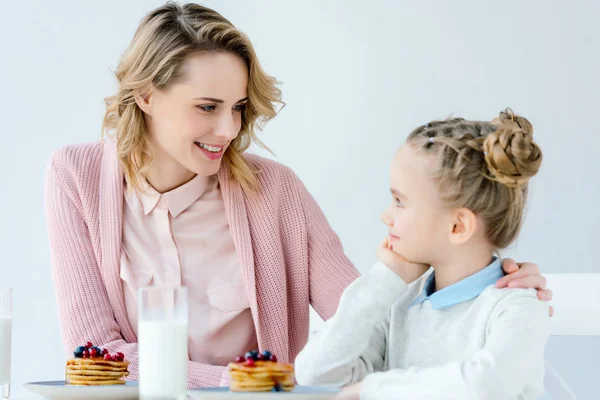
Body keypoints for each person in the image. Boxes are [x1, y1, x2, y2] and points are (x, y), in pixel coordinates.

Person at [44, 2, 553, 388]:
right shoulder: (77, 176)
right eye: (207, 106)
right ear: (146, 95)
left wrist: (480, 281)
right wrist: (249, 384)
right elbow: (98, 356)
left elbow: (370, 327)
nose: (227, 128)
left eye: (239, 107)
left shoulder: (275, 191)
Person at [295, 109, 550, 399]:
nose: (386, 216)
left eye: (399, 202)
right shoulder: (401, 301)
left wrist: (371, 390)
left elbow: (486, 387)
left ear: (458, 226)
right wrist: (384, 279)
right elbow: (314, 373)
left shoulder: (517, 306)